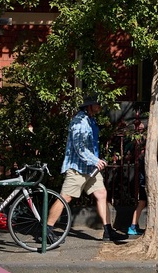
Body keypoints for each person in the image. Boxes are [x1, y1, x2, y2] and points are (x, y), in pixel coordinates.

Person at [45, 96, 120, 242]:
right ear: (89, 106)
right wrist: (96, 160)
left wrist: (95, 161)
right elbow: (79, 148)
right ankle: (46, 230)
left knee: (101, 194)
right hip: (77, 168)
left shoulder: (90, 120)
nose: (99, 106)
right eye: (97, 104)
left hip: (91, 168)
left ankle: (108, 231)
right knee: (65, 197)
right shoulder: (79, 122)